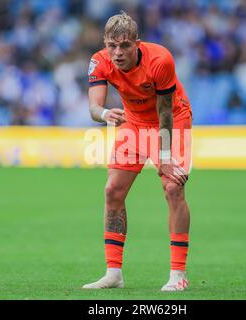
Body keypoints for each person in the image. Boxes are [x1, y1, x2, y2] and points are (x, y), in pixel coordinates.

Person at [83, 11, 192, 291]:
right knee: (112, 191)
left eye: (124, 46)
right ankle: (113, 273)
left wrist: (164, 158)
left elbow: (165, 111)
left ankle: (178, 274)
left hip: (172, 121)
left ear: (137, 44)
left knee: (173, 188)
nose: (117, 53)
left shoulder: (160, 60)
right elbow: (94, 108)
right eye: (111, 45)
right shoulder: (99, 61)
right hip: (133, 122)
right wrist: (106, 112)